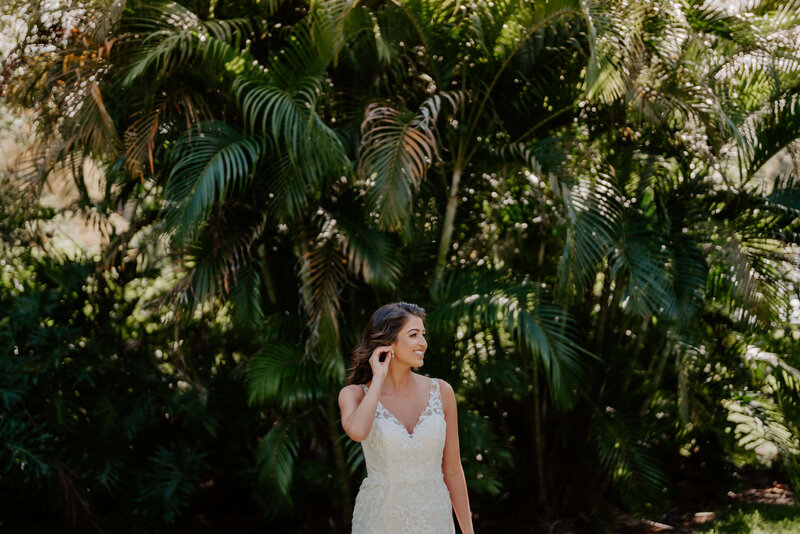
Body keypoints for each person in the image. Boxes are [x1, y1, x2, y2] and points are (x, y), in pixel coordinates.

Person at [338, 302, 474, 534]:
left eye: (423, 334)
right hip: (381, 520)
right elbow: (358, 431)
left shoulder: (442, 391)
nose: (423, 343)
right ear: (387, 342)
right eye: (413, 335)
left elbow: (452, 470)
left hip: (435, 518)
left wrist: (468, 532)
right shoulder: (354, 395)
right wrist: (378, 379)